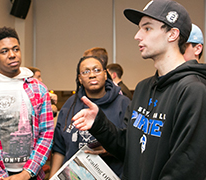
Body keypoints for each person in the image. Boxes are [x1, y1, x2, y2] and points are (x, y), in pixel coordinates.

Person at [72, 0, 206, 179]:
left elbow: (185, 169)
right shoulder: (143, 88)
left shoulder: (194, 91)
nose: (137, 36)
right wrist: (99, 123)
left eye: (147, 28)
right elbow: (128, 148)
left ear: (172, 34)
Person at [0, 26, 54, 180]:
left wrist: (27, 173)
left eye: (16, 49)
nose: (12, 55)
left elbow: (47, 133)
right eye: (4, 51)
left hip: (32, 174)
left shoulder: (38, 88)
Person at [50, 56, 130, 178]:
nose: (92, 75)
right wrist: (52, 177)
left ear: (105, 74)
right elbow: (60, 148)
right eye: (86, 72)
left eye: (97, 70)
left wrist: (109, 148)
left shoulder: (123, 104)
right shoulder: (70, 105)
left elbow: (132, 145)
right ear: (80, 79)